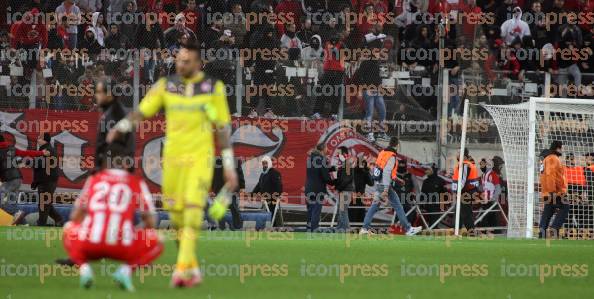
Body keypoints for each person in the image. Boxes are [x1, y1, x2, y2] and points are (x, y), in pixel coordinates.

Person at [107, 42, 238, 287]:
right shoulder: (166, 86)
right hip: (173, 161)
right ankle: (192, 268)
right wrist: (120, 127)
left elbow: (222, 129)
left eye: (186, 61)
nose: (180, 64)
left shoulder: (213, 89)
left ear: (199, 63)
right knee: (177, 219)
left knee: (191, 213)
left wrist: (229, 165)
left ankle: (179, 271)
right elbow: (142, 112)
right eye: (178, 60)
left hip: (200, 160)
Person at [62, 145, 163, 291]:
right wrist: (134, 230)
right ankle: (125, 271)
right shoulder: (136, 183)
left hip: (89, 244)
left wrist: (92, 225)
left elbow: (75, 216)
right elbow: (151, 221)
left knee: (68, 228)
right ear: (127, 163)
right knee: (158, 239)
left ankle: (84, 269)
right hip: (123, 246)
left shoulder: (94, 179)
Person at [360, 137, 422, 235]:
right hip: (385, 186)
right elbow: (386, 172)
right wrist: (385, 189)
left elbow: (381, 169)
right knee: (398, 206)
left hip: (379, 183)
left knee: (374, 207)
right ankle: (408, 229)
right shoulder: (392, 156)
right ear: (397, 145)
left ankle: (364, 228)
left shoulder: (382, 153)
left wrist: (397, 179)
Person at [0, 133, 49, 217]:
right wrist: (41, 153)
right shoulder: (11, 148)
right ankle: (22, 222)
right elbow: (26, 153)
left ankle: (16, 213)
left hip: (10, 180)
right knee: (12, 202)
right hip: (18, 178)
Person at [94, 80, 135, 171]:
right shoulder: (109, 112)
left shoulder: (116, 115)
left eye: (99, 92)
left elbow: (113, 148)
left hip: (113, 173)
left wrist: (98, 168)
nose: (96, 95)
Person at [32, 133, 63, 226]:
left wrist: (29, 162)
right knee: (46, 203)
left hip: (47, 180)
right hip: (46, 180)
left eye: (39, 138)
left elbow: (40, 164)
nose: (37, 140)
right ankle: (59, 219)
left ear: (45, 140)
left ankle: (41, 223)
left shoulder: (47, 150)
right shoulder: (45, 149)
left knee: (44, 203)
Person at [539, 141, 569, 238]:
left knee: (549, 210)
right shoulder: (553, 158)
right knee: (565, 207)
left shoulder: (546, 159)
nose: (562, 150)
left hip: (547, 191)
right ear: (557, 148)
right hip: (556, 191)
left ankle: (541, 232)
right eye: (561, 148)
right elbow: (550, 175)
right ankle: (554, 228)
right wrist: (552, 192)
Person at [304, 143, 333, 231]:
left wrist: (329, 166)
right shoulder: (321, 159)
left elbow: (317, 170)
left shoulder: (310, 159)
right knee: (316, 209)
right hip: (318, 189)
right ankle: (315, 227)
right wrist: (334, 182)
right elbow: (325, 175)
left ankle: (309, 226)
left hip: (309, 188)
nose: (327, 150)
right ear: (323, 149)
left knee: (311, 208)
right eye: (326, 148)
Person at [212, 157, 245, 230]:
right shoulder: (216, 161)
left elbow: (240, 174)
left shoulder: (235, 161)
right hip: (219, 189)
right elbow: (213, 175)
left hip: (231, 189)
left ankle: (238, 227)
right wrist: (213, 189)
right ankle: (222, 227)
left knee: (233, 207)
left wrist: (242, 186)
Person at [452, 148, 480, 231]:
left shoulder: (465, 164)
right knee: (460, 212)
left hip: (465, 192)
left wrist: (458, 191)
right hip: (467, 191)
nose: (456, 155)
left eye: (458, 153)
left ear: (463, 156)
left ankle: (471, 231)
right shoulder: (467, 164)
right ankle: (457, 229)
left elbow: (463, 180)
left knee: (465, 213)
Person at [252, 156, 283, 226]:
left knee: (272, 215)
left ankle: (273, 229)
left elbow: (279, 186)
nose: (264, 165)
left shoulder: (274, 173)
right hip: (265, 200)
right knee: (266, 215)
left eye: (266, 163)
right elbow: (258, 186)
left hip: (272, 199)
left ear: (269, 163)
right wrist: (251, 194)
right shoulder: (262, 174)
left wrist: (274, 196)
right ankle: (268, 228)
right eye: (263, 163)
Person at [334, 146, 355, 231]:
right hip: (344, 190)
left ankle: (346, 229)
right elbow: (343, 179)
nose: (337, 155)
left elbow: (347, 179)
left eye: (338, 153)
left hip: (346, 191)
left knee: (343, 210)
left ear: (344, 154)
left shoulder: (347, 164)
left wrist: (338, 188)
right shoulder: (345, 164)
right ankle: (339, 228)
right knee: (341, 210)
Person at [480, 156, 504, 228]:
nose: (501, 166)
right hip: (490, 198)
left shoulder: (496, 174)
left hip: (494, 198)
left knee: (492, 215)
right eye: (500, 165)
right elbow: (484, 187)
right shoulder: (489, 174)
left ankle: (493, 230)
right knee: (490, 215)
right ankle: (490, 230)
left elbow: (499, 188)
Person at [352, 154, 374, 224]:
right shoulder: (365, 172)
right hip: (359, 196)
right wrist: (368, 171)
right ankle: (359, 230)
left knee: (353, 214)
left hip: (352, 196)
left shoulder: (352, 171)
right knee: (360, 215)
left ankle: (351, 230)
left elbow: (371, 183)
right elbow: (371, 183)